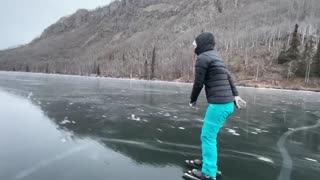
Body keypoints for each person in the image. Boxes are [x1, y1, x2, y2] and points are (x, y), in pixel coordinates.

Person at [188, 32, 246, 180]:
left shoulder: (203, 58)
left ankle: (208, 173)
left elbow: (198, 83)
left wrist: (192, 99)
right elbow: (229, 77)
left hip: (219, 105)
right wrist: (236, 95)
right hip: (227, 104)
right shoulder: (216, 56)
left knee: (207, 136)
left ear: (201, 43)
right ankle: (208, 163)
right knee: (209, 136)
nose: (193, 45)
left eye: (195, 42)